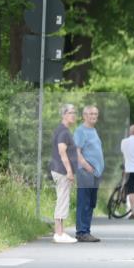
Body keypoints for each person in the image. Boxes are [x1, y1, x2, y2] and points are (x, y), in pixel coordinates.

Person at [73, 105, 104, 242]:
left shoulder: (93, 130)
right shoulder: (80, 131)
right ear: (84, 115)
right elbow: (76, 151)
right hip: (86, 172)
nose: (94, 116)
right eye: (91, 114)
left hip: (95, 173)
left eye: (95, 114)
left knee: (91, 202)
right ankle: (81, 232)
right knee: (84, 201)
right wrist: (86, 166)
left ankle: (86, 231)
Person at [50, 104, 79, 243]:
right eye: (70, 112)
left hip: (60, 170)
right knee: (62, 200)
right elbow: (62, 151)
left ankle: (61, 232)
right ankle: (59, 233)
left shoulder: (63, 130)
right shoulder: (63, 131)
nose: (73, 115)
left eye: (74, 112)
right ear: (64, 115)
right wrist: (69, 171)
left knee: (63, 199)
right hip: (61, 170)